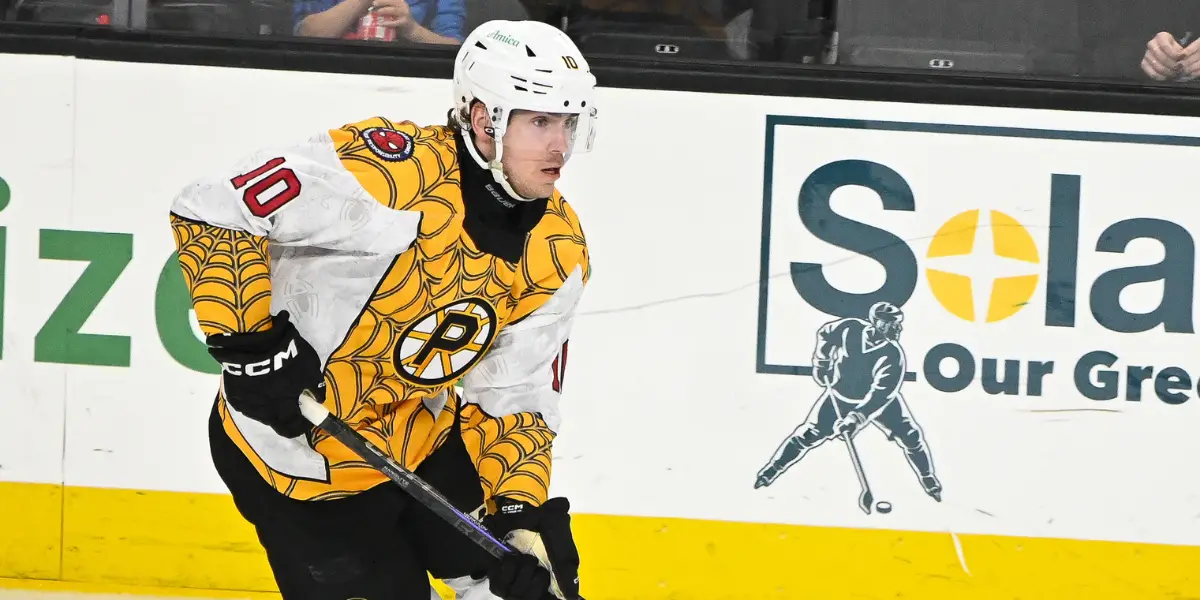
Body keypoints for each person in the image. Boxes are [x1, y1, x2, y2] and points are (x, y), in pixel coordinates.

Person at [167, 19, 598, 600]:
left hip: (419, 437)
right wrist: (251, 349)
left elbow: (515, 393)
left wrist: (520, 509)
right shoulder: (390, 175)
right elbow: (213, 207)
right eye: (540, 121)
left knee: (522, 590)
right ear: (482, 119)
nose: (559, 145)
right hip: (297, 458)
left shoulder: (558, 250)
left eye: (568, 122)